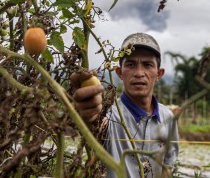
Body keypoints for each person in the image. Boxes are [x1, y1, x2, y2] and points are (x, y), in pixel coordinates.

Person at [71, 33, 179, 178]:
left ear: (159, 74)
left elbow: (168, 167)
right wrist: (89, 112)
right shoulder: (108, 114)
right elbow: (96, 123)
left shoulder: (169, 118)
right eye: (131, 64)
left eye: (147, 65)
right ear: (120, 73)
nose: (139, 73)